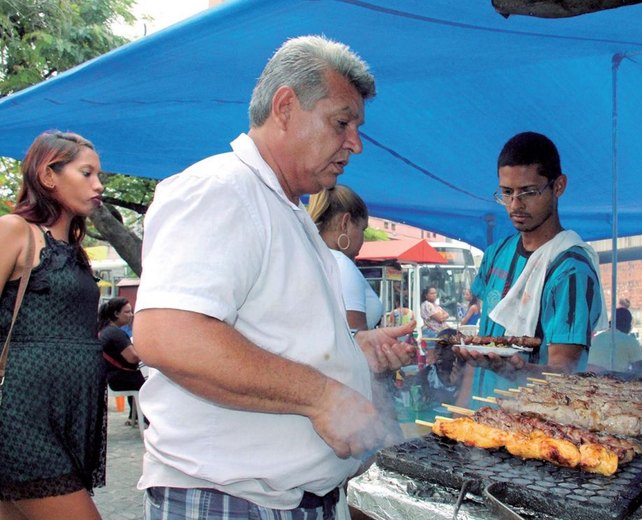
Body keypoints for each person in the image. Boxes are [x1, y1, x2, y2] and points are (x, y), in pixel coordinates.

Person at [131, 35, 416, 520]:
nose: (356, 144)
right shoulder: (221, 189)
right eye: (341, 122)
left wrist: (353, 350)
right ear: (285, 106)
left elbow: (270, 334)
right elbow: (168, 337)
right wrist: (323, 397)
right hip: (229, 502)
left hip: (281, 501)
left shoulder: (286, 208)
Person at [455, 131, 607, 404]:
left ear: (558, 186)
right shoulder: (495, 254)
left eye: (528, 192)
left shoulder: (571, 271)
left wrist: (518, 371)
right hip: (479, 420)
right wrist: (460, 411)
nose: (515, 205)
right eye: (507, 193)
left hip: (533, 430)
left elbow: (566, 373)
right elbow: (478, 344)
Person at [0, 131, 106, 519]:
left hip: (67, 418)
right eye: (87, 173)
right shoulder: (14, 230)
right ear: (48, 175)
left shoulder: (74, 252)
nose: (98, 185)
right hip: (21, 417)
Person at [308, 184, 383, 331]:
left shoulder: (308, 256)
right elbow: (355, 340)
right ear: (345, 223)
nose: (363, 240)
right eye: (362, 229)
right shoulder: (340, 265)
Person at [98, 297, 145, 427]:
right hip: (120, 378)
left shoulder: (105, 330)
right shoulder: (116, 333)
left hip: (112, 376)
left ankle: (133, 417)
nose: (131, 315)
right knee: (151, 384)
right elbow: (133, 358)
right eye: (127, 312)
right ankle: (150, 421)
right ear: (116, 314)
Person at [587, 307, 642, 374]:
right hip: (614, 381)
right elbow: (640, 371)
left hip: (591, 381)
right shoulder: (630, 341)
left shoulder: (596, 338)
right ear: (627, 325)